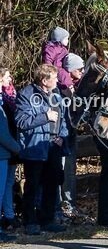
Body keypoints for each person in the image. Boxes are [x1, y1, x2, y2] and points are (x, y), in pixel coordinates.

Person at [15, 64, 69, 235]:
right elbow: (21, 121)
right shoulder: (26, 94)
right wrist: (44, 117)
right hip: (35, 146)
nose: (57, 81)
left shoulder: (57, 95)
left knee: (52, 183)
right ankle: (29, 221)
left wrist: (62, 136)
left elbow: (64, 119)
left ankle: (47, 219)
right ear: (44, 80)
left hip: (54, 145)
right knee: (33, 185)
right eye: (54, 78)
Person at [59, 53, 86, 222]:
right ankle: (62, 205)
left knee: (70, 171)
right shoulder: (62, 89)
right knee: (61, 172)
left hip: (71, 135)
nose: (82, 72)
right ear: (71, 70)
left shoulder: (75, 87)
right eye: (80, 69)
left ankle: (70, 203)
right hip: (62, 136)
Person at [0, 68, 18, 232]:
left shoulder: (8, 98)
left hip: (8, 151)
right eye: (6, 76)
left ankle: (9, 216)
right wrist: (18, 148)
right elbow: (2, 133)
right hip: (4, 150)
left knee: (8, 184)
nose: (10, 79)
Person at [42, 27, 73, 91]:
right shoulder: (52, 48)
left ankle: (71, 88)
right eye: (66, 39)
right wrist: (50, 70)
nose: (67, 40)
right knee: (64, 75)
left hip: (63, 67)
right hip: (57, 68)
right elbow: (48, 59)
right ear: (59, 39)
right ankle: (68, 88)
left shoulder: (63, 48)